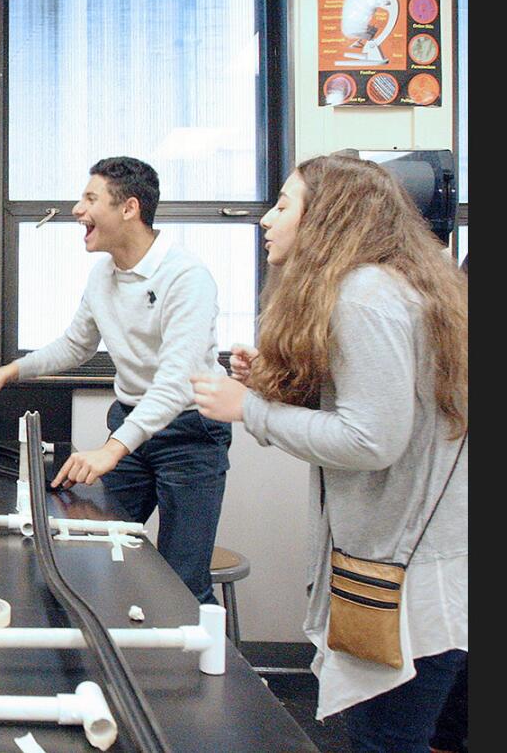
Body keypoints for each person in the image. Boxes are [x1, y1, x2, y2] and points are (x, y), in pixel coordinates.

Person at [190, 153, 468, 751]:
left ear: (328, 218)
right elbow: (394, 406)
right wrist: (277, 384)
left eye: (285, 204)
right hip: (432, 577)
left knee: (385, 743)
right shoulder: (398, 284)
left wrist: (249, 409)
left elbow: (372, 439)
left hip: (408, 589)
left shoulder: (364, 295)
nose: (267, 218)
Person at [0, 156, 232, 606]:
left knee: (182, 584)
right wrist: (8, 371)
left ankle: (204, 674)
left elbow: (177, 383)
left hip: (190, 432)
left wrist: (111, 449)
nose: (77, 210)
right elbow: (75, 346)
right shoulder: (103, 275)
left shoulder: (186, 277)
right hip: (131, 424)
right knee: (97, 549)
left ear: (129, 209)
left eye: (90, 198)